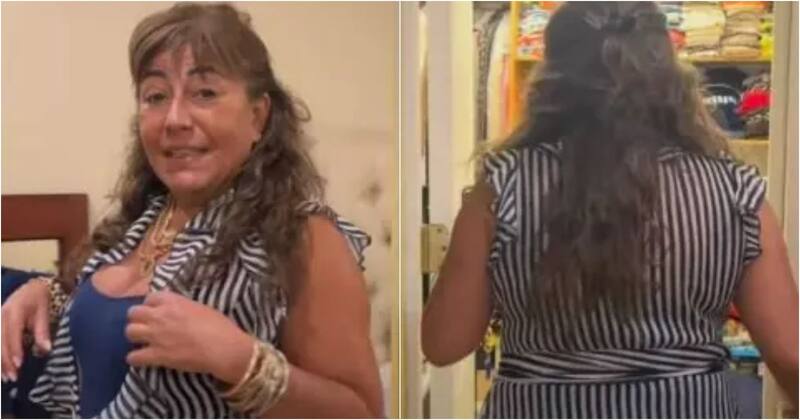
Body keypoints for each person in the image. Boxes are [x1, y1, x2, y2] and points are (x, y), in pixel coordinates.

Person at [1, 3, 383, 418]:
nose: (174, 119)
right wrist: (48, 294)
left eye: (205, 93)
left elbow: (362, 412)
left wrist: (239, 360)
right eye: (156, 96)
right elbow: (104, 328)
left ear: (258, 117)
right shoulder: (140, 221)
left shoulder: (303, 237)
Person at [421, 2, 798, 418]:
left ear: (552, 79)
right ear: (670, 76)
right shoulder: (734, 191)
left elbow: (443, 342)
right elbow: (790, 355)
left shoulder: (502, 188)